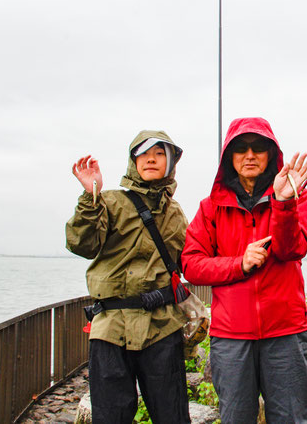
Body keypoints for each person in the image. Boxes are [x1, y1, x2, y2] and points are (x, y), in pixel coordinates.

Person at [182, 117, 307, 423]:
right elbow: (190, 264)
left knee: (290, 417)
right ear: (230, 156)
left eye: (258, 148)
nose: (250, 155)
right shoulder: (210, 208)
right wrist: (238, 263)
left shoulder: (298, 196)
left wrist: (282, 202)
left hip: (286, 332)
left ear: (271, 154)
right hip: (231, 337)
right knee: (235, 418)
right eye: (240, 148)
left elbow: (292, 249)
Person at [65, 130, 190, 424]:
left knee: (172, 415)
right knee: (111, 416)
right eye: (143, 153)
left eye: (160, 154)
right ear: (133, 161)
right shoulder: (108, 202)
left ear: (171, 162)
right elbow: (82, 244)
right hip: (111, 329)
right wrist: (90, 195)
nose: (151, 159)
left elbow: (191, 260)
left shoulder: (175, 212)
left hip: (162, 326)